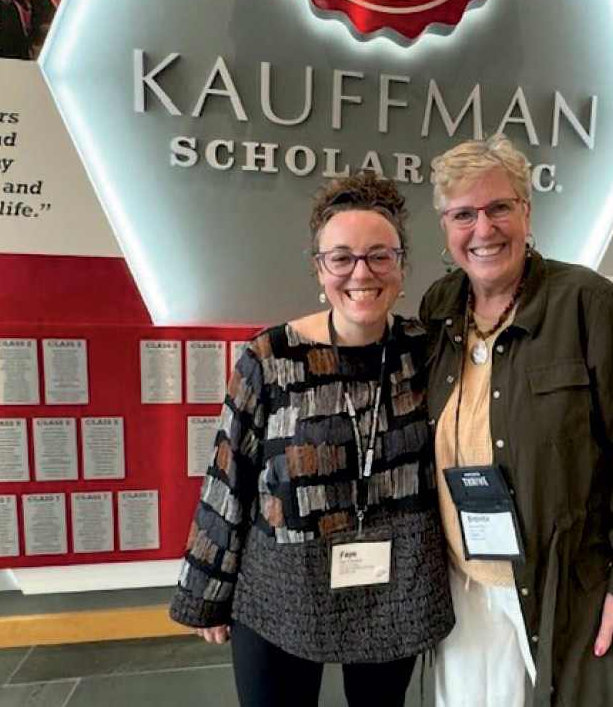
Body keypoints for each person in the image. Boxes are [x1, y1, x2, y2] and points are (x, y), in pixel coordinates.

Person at [420, 135, 613, 707]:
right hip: (465, 589)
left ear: (527, 211)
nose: (484, 229)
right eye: (463, 214)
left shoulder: (587, 304)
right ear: (446, 228)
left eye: (499, 207)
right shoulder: (440, 309)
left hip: (569, 589)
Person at [170, 174, 454, 707]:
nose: (360, 274)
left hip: (395, 586)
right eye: (341, 257)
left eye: (379, 256)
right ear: (319, 268)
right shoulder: (270, 355)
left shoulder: (429, 351)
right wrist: (207, 592)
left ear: (401, 265)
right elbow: (230, 474)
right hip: (282, 588)